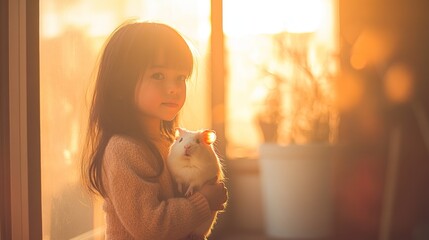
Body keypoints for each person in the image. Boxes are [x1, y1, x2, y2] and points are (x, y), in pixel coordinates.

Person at [81, 21, 228, 240]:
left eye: (181, 78)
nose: (174, 88)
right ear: (122, 84)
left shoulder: (168, 142)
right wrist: (204, 201)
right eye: (158, 75)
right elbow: (151, 227)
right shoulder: (123, 149)